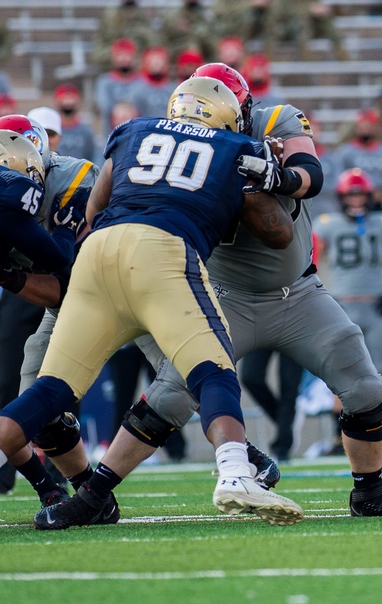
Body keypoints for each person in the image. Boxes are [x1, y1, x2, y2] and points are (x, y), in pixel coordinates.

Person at [38, 63, 382, 529]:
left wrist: (273, 177)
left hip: (298, 291)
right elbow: (104, 200)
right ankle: (94, 494)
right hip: (223, 293)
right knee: (171, 393)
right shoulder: (175, 145)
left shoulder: (273, 120)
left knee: (364, 385)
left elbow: (309, 176)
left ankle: (370, 491)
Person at [0, 76, 307, 528]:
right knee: (210, 366)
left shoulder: (133, 130)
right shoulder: (236, 146)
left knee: (49, 392)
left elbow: (95, 208)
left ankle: (88, 496)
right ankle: (237, 471)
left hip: (94, 261)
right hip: (159, 256)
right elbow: (281, 233)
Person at [0, 130, 90, 501]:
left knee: (182, 373)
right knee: (28, 412)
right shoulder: (13, 199)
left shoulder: (76, 176)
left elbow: (56, 283)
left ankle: (56, 492)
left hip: (122, 287)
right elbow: (59, 264)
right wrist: (67, 229)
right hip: (83, 299)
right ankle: (84, 491)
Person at [314, 168, 382, 454]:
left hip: (374, 308)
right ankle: (338, 441)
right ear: (341, 197)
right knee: (341, 377)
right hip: (343, 307)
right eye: (351, 194)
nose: (356, 200)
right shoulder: (326, 225)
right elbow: (311, 264)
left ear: (370, 196)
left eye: (360, 194)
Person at [53, 83, 100, 165]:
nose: (67, 102)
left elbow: (92, 157)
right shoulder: (51, 130)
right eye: (64, 98)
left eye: (71, 98)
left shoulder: (86, 132)